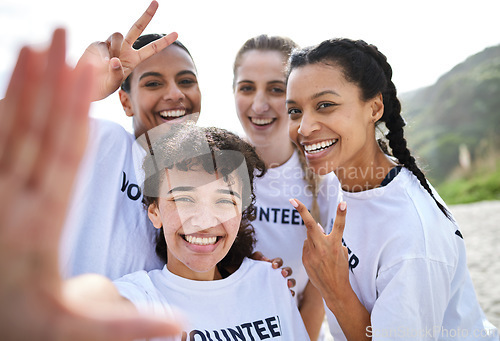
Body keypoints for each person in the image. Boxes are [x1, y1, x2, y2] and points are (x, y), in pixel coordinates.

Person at [286, 38, 499, 339]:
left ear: (374, 108)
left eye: (325, 105)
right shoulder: (342, 177)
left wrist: (335, 290)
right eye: (295, 111)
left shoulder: (411, 236)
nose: (304, 128)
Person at [0, 27, 183, 341]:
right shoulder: (102, 141)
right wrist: (75, 87)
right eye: (153, 82)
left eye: (187, 81)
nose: (175, 94)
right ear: (126, 102)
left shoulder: (205, 173)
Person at [73, 122, 311, 340]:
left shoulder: (271, 281)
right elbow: (97, 303)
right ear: (155, 212)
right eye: (185, 199)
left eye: (224, 201)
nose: (204, 221)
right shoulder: (142, 301)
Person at [232, 34, 333, 341]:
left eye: (275, 89)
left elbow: (317, 294)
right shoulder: (216, 170)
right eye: (247, 87)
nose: (259, 104)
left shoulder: (324, 179)